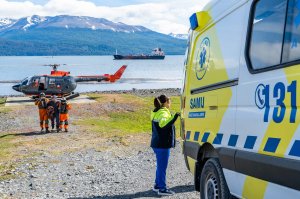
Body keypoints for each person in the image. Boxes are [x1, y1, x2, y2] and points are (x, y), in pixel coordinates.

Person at [150, 94, 180, 196]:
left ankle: (157, 185)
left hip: (156, 143)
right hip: (162, 145)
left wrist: (171, 117)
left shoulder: (156, 112)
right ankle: (162, 189)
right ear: (166, 103)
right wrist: (175, 117)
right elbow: (163, 125)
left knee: (160, 166)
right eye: (169, 101)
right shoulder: (163, 113)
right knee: (162, 167)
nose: (170, 103)